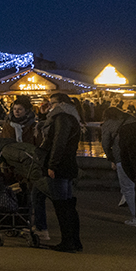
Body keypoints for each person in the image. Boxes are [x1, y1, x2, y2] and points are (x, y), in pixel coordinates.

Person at [38, 92, 82, 253]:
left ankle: (68, 242)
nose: (50, 106)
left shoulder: (61, 118)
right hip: (68, 164)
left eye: (52, 103)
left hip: (60, 166)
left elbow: (58, 143)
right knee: (68, 204)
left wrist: (52, 165)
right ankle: (74, 241)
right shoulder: (72, 117)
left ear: (62, 103)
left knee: (62, 205)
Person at [101, 106, 136, 227]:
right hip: (134, 155)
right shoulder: (132, 119)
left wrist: (111, 158)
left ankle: (135, 217)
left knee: (128, 188)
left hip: (121, 157)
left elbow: (105, 143)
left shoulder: (108, 124)